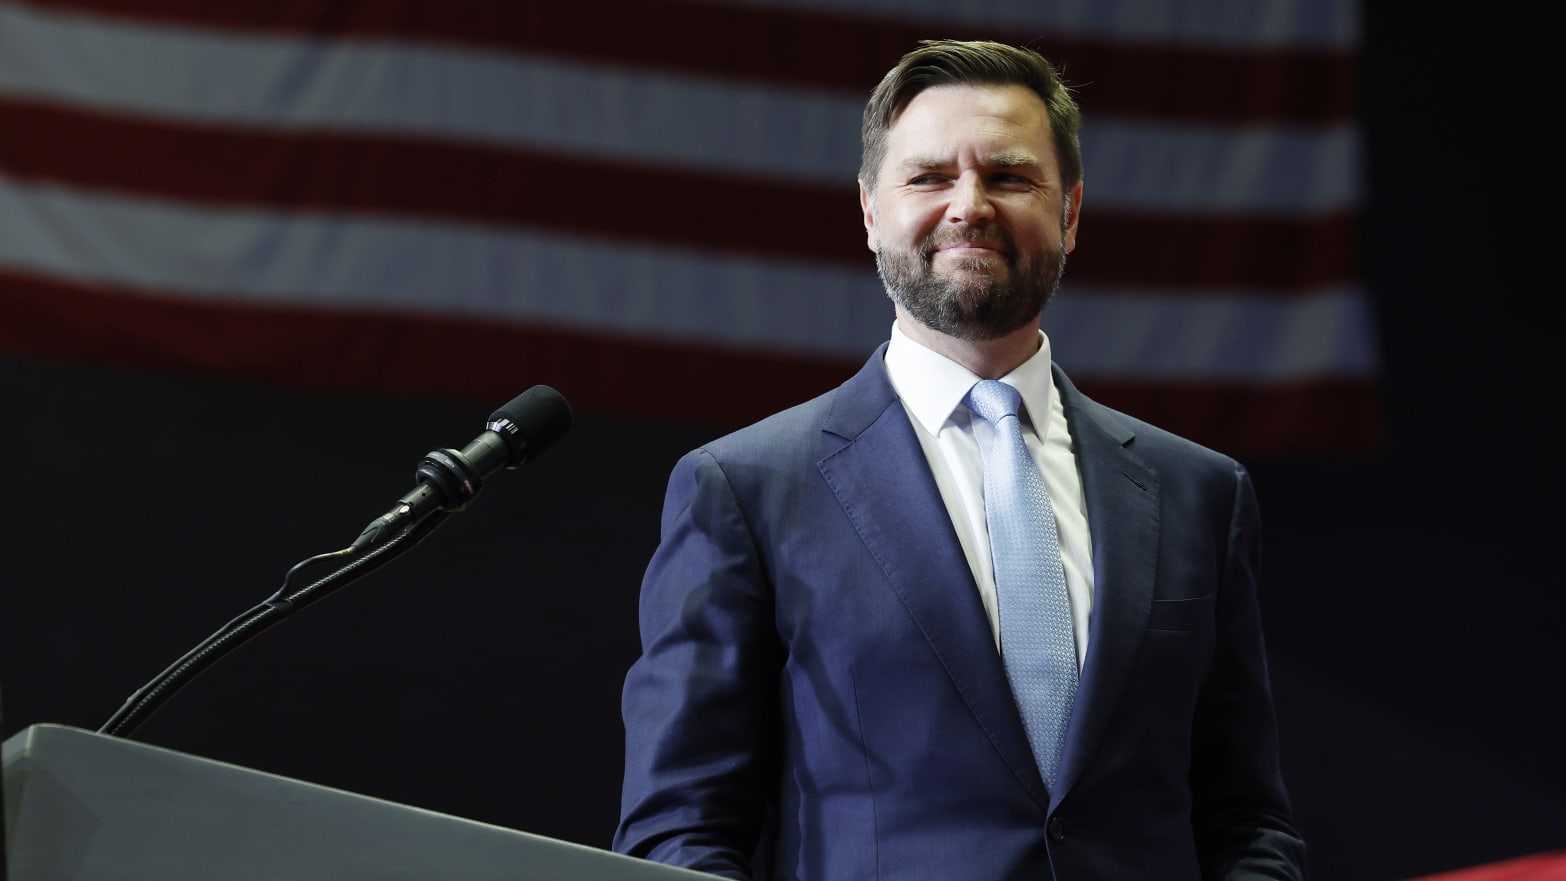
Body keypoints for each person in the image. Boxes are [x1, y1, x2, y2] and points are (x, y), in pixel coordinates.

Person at [613, 39, 1305, 881]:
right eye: (929, 176)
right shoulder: (747, 490)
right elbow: (679, 835)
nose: (968, 205)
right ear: (870, 212)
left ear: (1072, 212)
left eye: (1009, 177)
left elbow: (1247, 822)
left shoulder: (1200, 491)